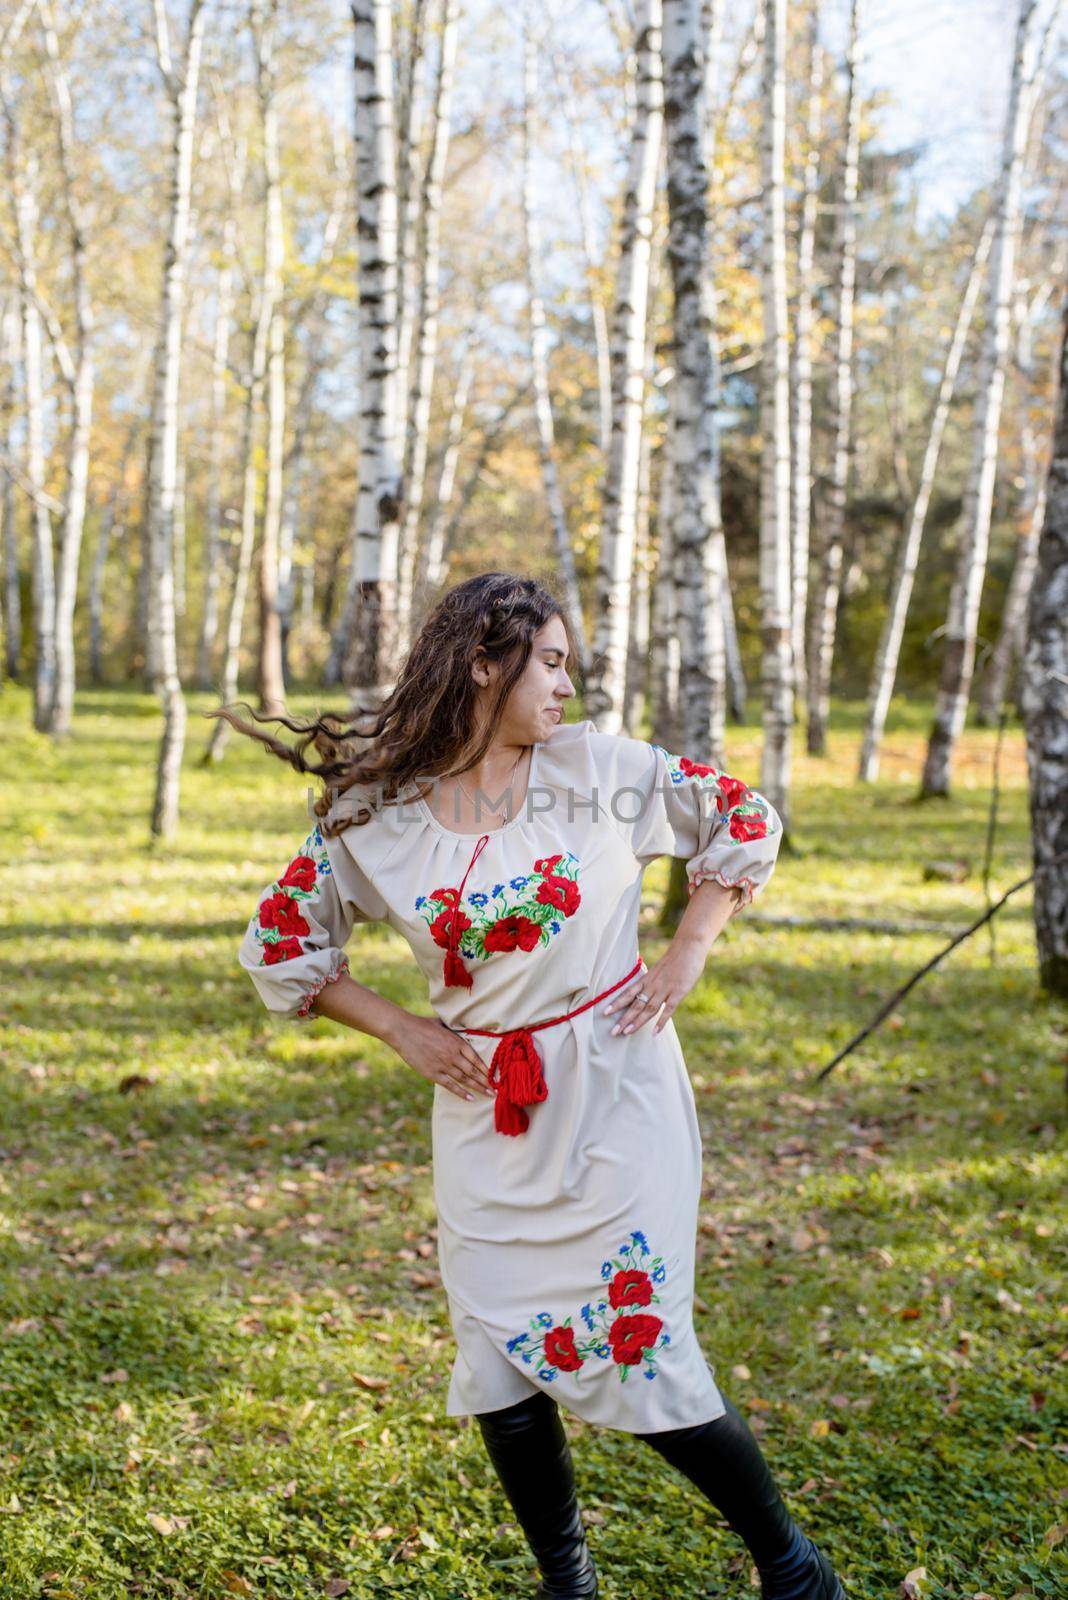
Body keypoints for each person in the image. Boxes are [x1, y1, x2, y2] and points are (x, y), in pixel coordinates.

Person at [223, 572, 847, 1599]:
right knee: (499, 1360)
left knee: (642, 1342)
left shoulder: (599, 769)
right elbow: (281, 939)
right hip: (481, 1109)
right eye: (549, 662)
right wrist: (400, 1028)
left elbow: (741, 814)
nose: (566, 684)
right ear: (483, 663)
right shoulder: (379, 816)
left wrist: (689, 946)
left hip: (617, 1085)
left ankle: (791, 1567)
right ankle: (569, 1582)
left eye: (566, 663)